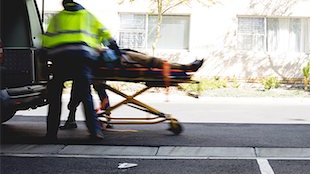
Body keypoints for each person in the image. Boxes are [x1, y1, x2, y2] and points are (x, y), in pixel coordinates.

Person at [59, 50, 204, 130]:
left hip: (112, 59)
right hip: (115, 60)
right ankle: (186, 67)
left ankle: (84, 119)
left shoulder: (76, 49)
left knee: (85, 91)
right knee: (148, 61)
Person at [42, 0, 121, 140]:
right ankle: (94, 131)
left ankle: (51, 134)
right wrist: (116, 49)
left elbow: (46, 41)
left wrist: (45, 56)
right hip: (82, 58)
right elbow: (105, 34)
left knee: (55, 96)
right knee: (86, 95)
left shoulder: (57, 18)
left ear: (64, 5)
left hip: (60, 59)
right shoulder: (88, 16)